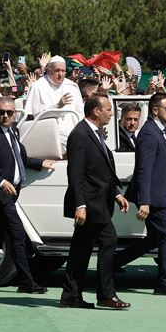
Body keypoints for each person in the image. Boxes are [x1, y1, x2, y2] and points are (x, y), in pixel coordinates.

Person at [0, 96, 56, 294]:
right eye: (1, 112)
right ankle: (26, 282)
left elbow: (18, 157)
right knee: (18, 236)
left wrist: (39, 163)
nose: (5, 116)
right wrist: (2, 182)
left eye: (9, 112)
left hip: (13, 193)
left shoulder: (13, 130)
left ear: (14, 114)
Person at [60, 94, 131, 310]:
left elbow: (102, 171)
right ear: (96, 111)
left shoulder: (95, 134)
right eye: (108, 109)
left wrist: (116, 193)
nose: (112, 113)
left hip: (99, 201)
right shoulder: (80, 135)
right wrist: (79, 205)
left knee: (80, 251)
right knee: (109, 240)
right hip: (90, 205)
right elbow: (76, 173)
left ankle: (71, 296)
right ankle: (106, 295)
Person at [117, 93, 166, 296]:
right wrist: (145, 201)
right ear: (156, 110)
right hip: (154, 197)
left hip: (160, 194)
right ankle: (164, 281)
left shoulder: (163, 132)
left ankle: (114, 263)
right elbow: (144, 169)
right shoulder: (149, 133)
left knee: (154, 239)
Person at [23, 56, 84, 153]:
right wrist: (57, 106)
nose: (61, 74)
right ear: (48, 70)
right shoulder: (38, 86)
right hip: (51, 134)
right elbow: (36, 116)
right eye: (57, 70)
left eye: (63, 71)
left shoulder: (72, 86)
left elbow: (80, 113)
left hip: (74, 131)